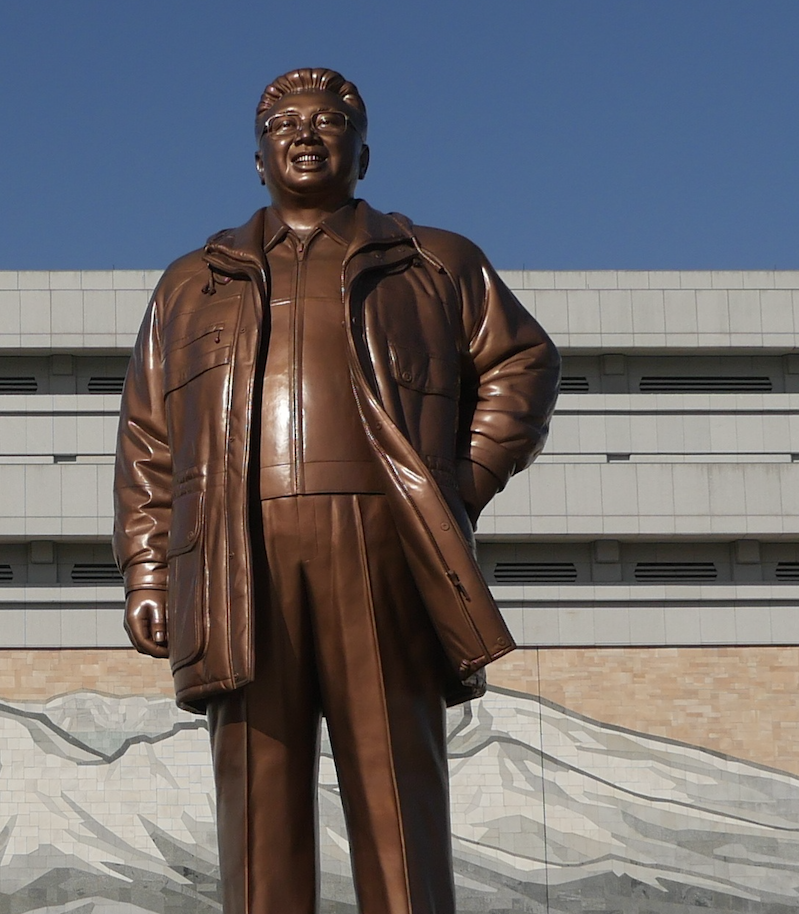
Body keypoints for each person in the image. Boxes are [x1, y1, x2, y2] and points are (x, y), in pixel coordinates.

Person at [114, 67, 560, 914]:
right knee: (256, 795)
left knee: (397, 787)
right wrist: (147, 571)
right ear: (257, 157)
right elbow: (148, 438)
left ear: (364, 151)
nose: (306, 134)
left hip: (384, 550)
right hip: (238, 558)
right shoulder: (190, 284)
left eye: (327, 121)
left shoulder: (435, 262)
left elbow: (521, 363)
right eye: (284, 123)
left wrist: (459, 487)